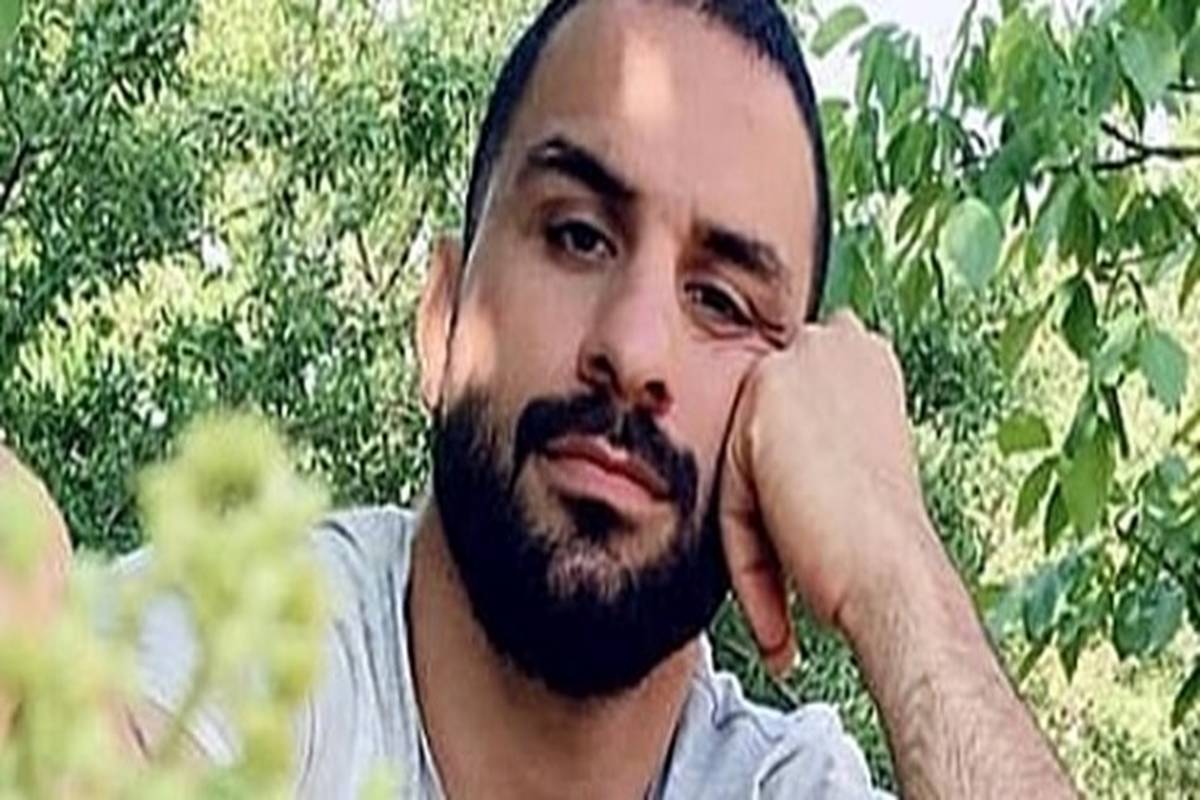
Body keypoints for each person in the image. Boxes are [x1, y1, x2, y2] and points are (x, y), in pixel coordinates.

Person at [0, 0, 1079, 797]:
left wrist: (898, 572)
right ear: (441, 319)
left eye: (720, 298)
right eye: (577, 234)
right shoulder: (252, 651)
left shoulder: (773, 783)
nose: (634, 350)